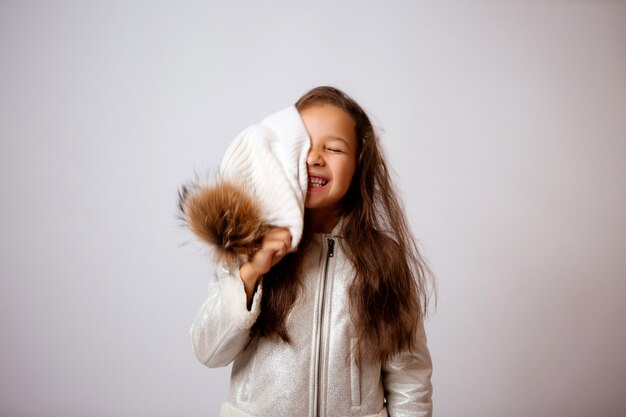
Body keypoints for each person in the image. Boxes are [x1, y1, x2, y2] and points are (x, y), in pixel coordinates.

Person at [189, 86, 434, 417]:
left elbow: (409, 379)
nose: (314, 157)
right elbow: (208, 351)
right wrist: (251, 273)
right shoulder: (248, 246)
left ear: (359, 161)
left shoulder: (383, 259)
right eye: (301, 145)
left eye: (333, 148)